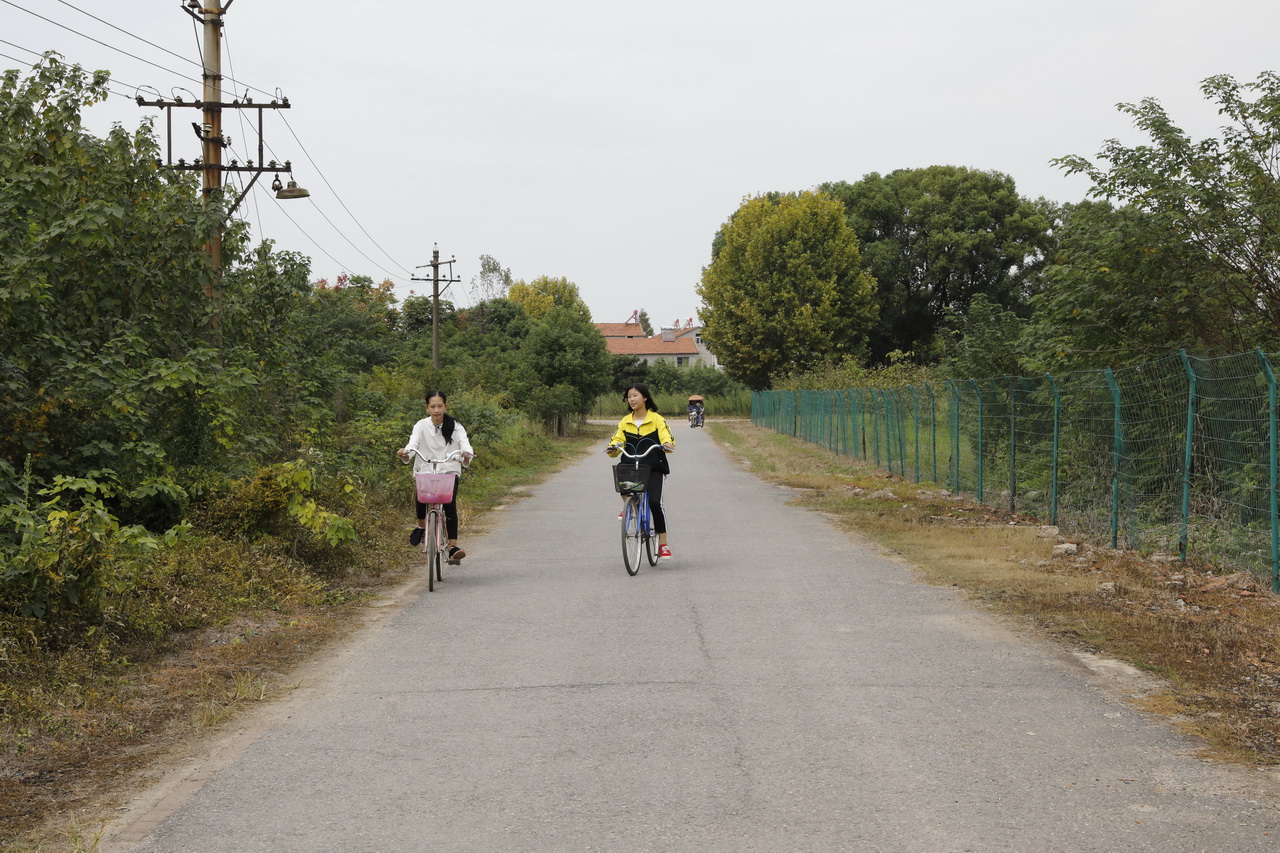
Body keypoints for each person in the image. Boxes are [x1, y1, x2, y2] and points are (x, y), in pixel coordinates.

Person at [397, 390, 475, 563]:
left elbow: (465, 444)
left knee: (450, 506)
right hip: (426, 468)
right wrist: (406, 453)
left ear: (446, 406)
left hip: (448, 470)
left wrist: (467, 454)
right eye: (433, 406)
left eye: (440, 406)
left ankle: (453, 547)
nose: (436, 410)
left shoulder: (456, 426)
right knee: (421, 496)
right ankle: (421, 526)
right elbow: (413, 444)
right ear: (427, 408)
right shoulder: (421, 425)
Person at [606, 383, 676, 559]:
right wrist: (612, 447)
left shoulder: (657, 419)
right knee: (621, 474)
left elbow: (666, 436)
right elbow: (617, 439)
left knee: (655, 503)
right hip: (632, 465)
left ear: (645, 397)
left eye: (635, 395)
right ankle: (631, 507)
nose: (632, 399)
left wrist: (667, 444)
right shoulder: (625, 421)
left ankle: (663, 544)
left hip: (654, 466)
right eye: (629, 396)